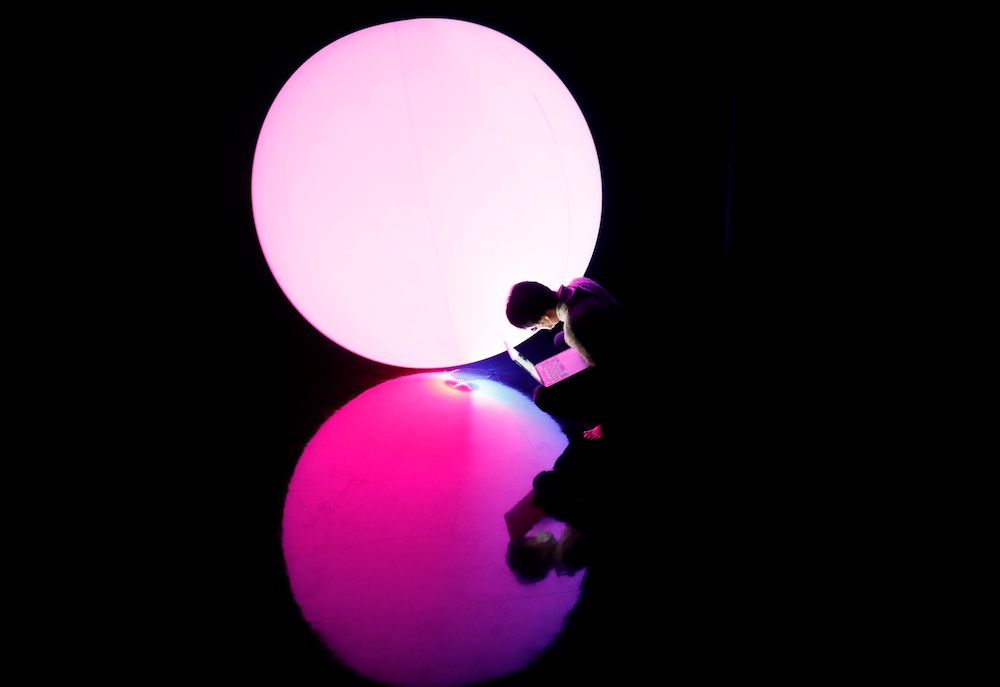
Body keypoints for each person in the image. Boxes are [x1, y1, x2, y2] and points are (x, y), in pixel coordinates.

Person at [506, 278, 625, 438]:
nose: (539, 329)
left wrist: (606, 424)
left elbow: (609, 377)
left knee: (542, 397)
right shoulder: (580, 283)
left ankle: (600, 417)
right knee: (559, 339)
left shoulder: (575, 326)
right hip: (616, 330)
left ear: (544, 319)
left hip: (621, 363)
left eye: (535, 327)